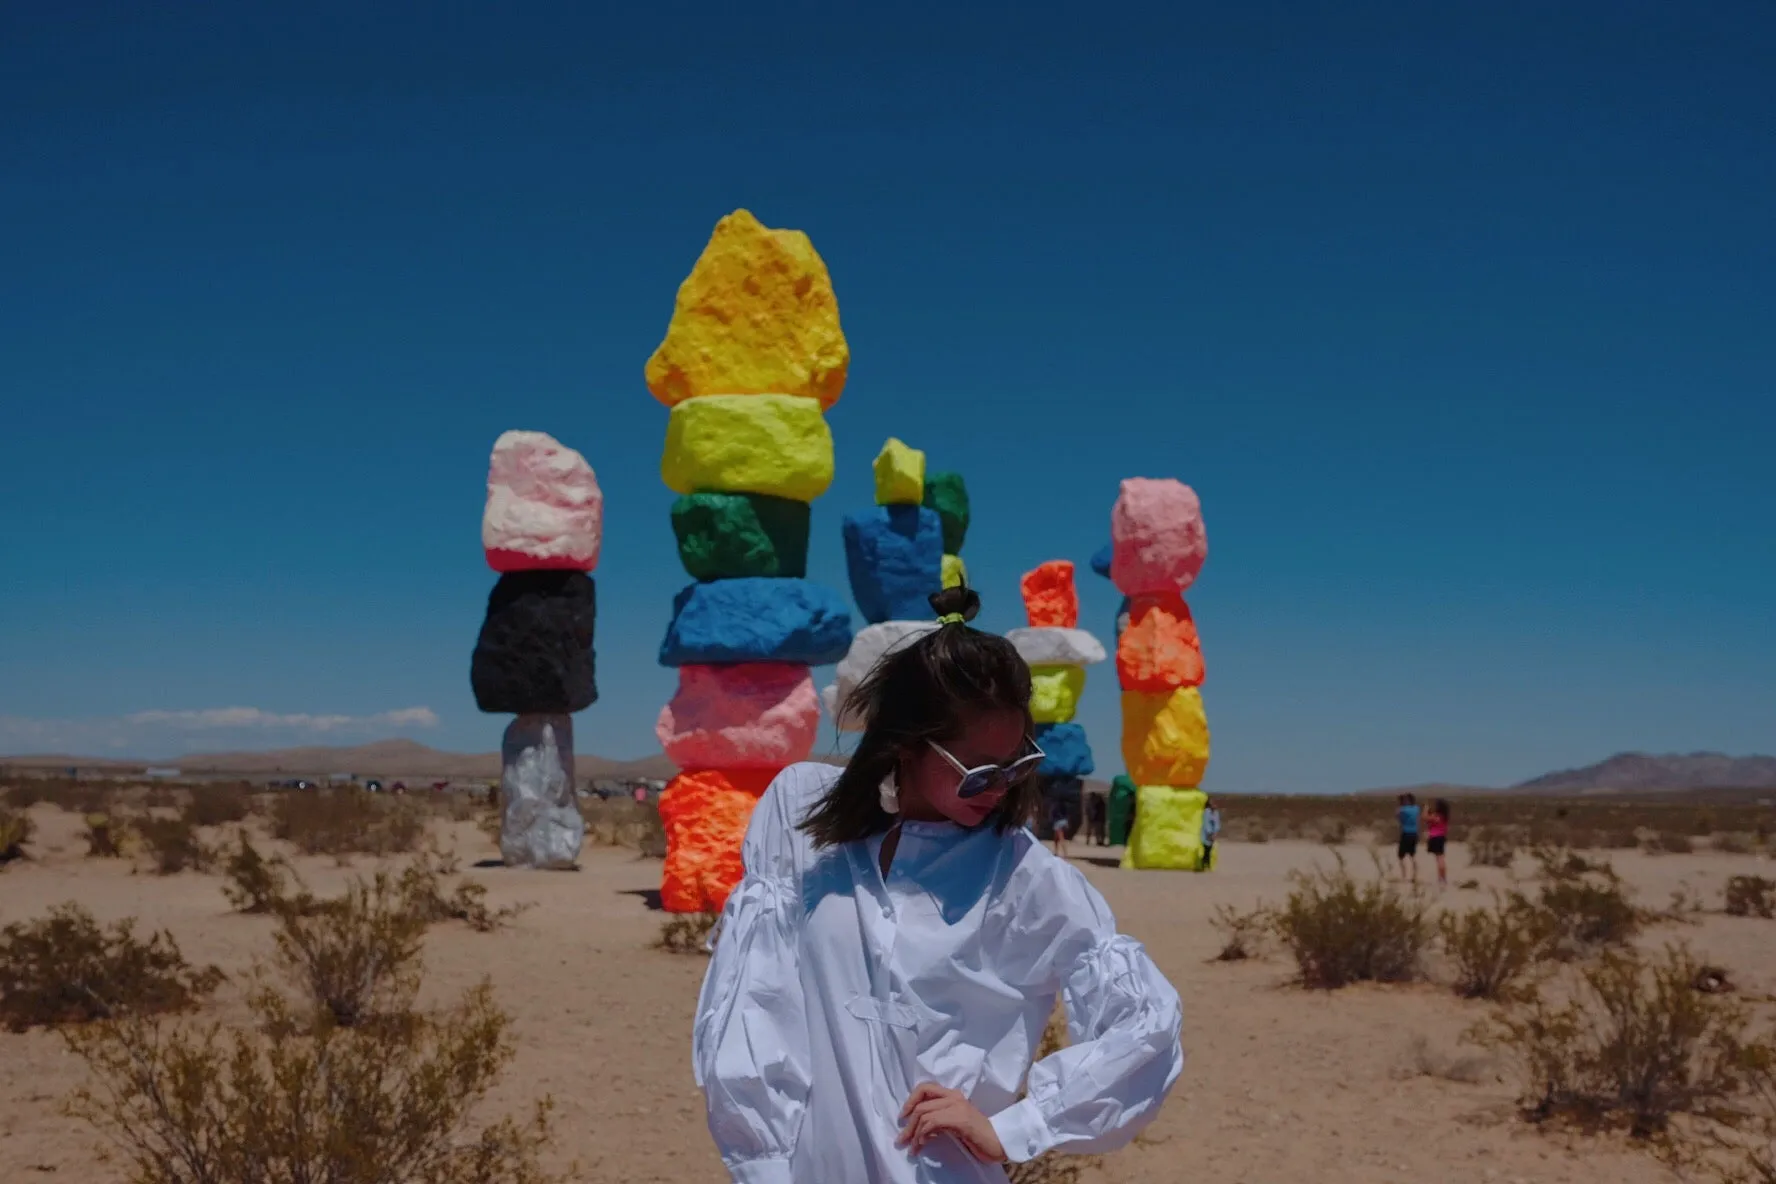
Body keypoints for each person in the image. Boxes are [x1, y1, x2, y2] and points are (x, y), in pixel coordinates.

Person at [693, 586, 1185, 1184]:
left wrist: (1014, 1127)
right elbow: (754, 1003)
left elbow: (1144, 1022)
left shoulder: (1023, 874)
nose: (1001, 789)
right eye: (978, 772)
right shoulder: (798, 819)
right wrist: (763, 1164)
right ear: (904, 742)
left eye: (1018, 765)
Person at [1424, 799, 1450, 888]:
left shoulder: (1437, 816)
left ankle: (1440, 878)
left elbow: (1425, 818)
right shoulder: (1444, 816)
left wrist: (1426, 809)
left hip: (1435, 837)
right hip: (1442, 837)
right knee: (1441, 858)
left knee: (1439, 859)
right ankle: (1444, 878)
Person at [1396, 792, 1421, 883]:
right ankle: (1414, 875)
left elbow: (1398, 816)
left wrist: (1401, 804)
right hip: (1414, 833)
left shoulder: (1402, 809)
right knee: (1412, 855)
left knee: (1401, 856)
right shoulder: (1416, 808)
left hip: (1406, 833)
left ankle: (1404, 876)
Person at [1199, 798, 1221, 871]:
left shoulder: (1216, 813)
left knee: (1210, 850)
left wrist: (1215, 833)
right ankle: (1204, 865)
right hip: (1206, 835)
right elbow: (1206, 823)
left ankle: (1207, 865)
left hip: (1212, 835)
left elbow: (1217, 823)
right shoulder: (1206, 812)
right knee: (1206, 850)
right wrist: (1209, 833)